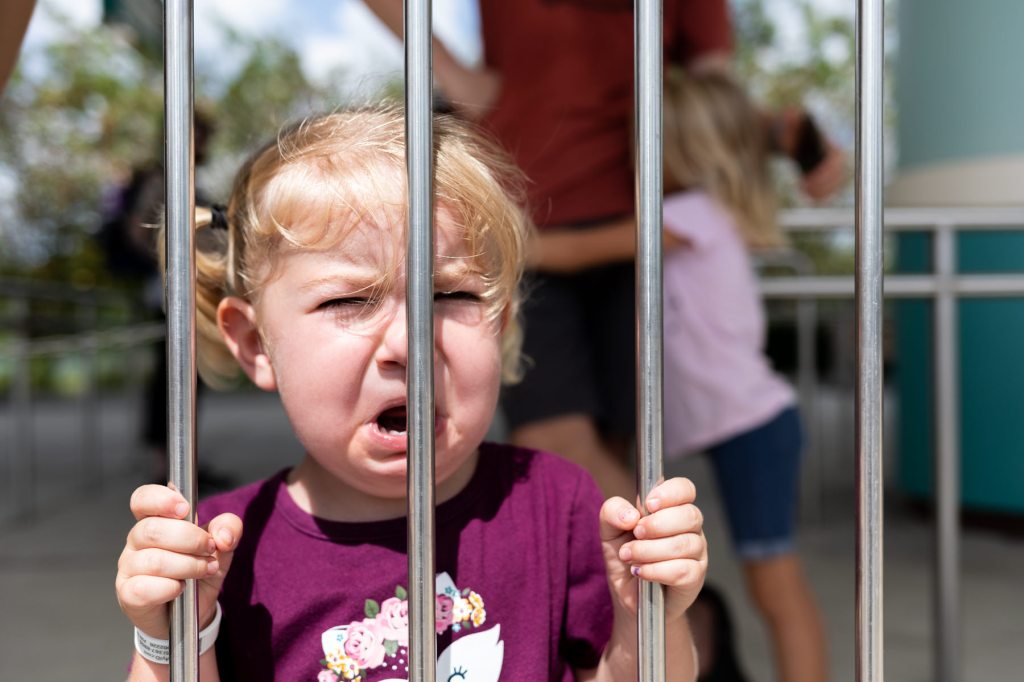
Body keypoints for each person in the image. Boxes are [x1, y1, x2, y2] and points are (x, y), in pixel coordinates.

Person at [113, 106, 710, 680]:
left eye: (450, 296)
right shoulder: (219, 545)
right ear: (255, 344)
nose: (409, 342)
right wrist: (170, 637)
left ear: (498, 325)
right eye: (347, 301)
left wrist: (646, 621)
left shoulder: (558, 502)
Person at [362, 0, 845, 505]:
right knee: (553, 444)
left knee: (612, 451)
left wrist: (787, 139)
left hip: (632, 221)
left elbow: (715, 102)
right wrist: (454, 75)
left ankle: (635, 584)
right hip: (525, 204)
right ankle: (690, 586)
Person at [530, 69, 829, 682]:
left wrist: (509, 244)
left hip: (752, 424)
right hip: (743, 421)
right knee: (760, 577)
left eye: (647, 143)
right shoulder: (699, 213)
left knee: (775, 583)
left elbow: (580, 251)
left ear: (680, 149)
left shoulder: (686, 215)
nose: (636, 158)